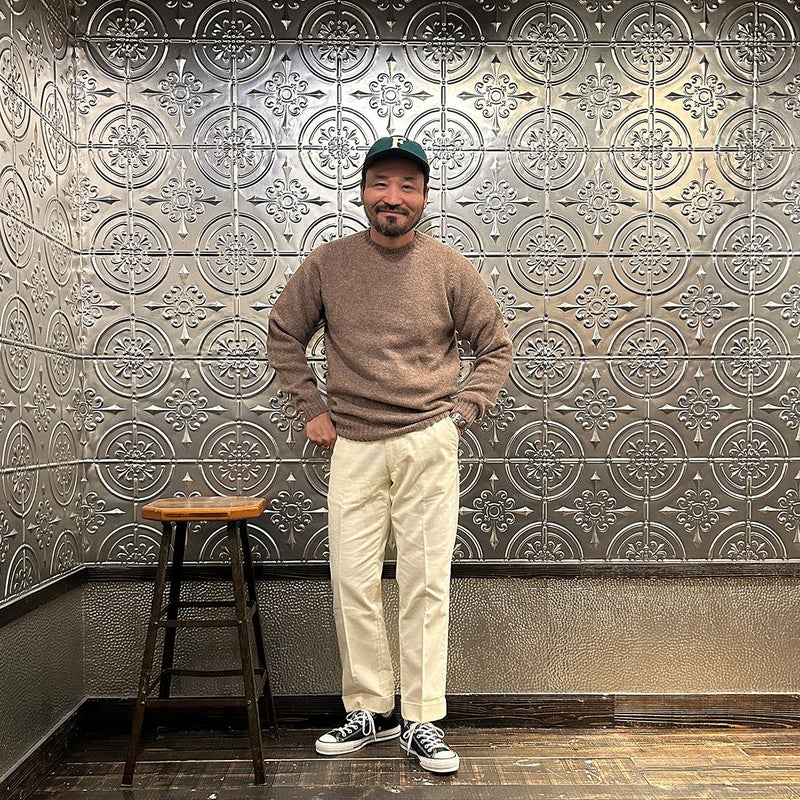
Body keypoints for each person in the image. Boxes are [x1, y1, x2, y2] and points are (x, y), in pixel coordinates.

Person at [267, 136, 513, 774]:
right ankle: (370, 710)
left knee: (424, 583)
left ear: (425, 197)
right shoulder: (329, 263)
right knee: (352, 580)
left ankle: (422, 718)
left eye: (408, 186)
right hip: (353, 444)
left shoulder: (448, 267)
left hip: (427, 440)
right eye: (381, 184)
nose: (393, 197)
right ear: (362, 193)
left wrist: (463, 411)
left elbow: (495, 347)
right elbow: (284, 333)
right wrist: (310, 407)